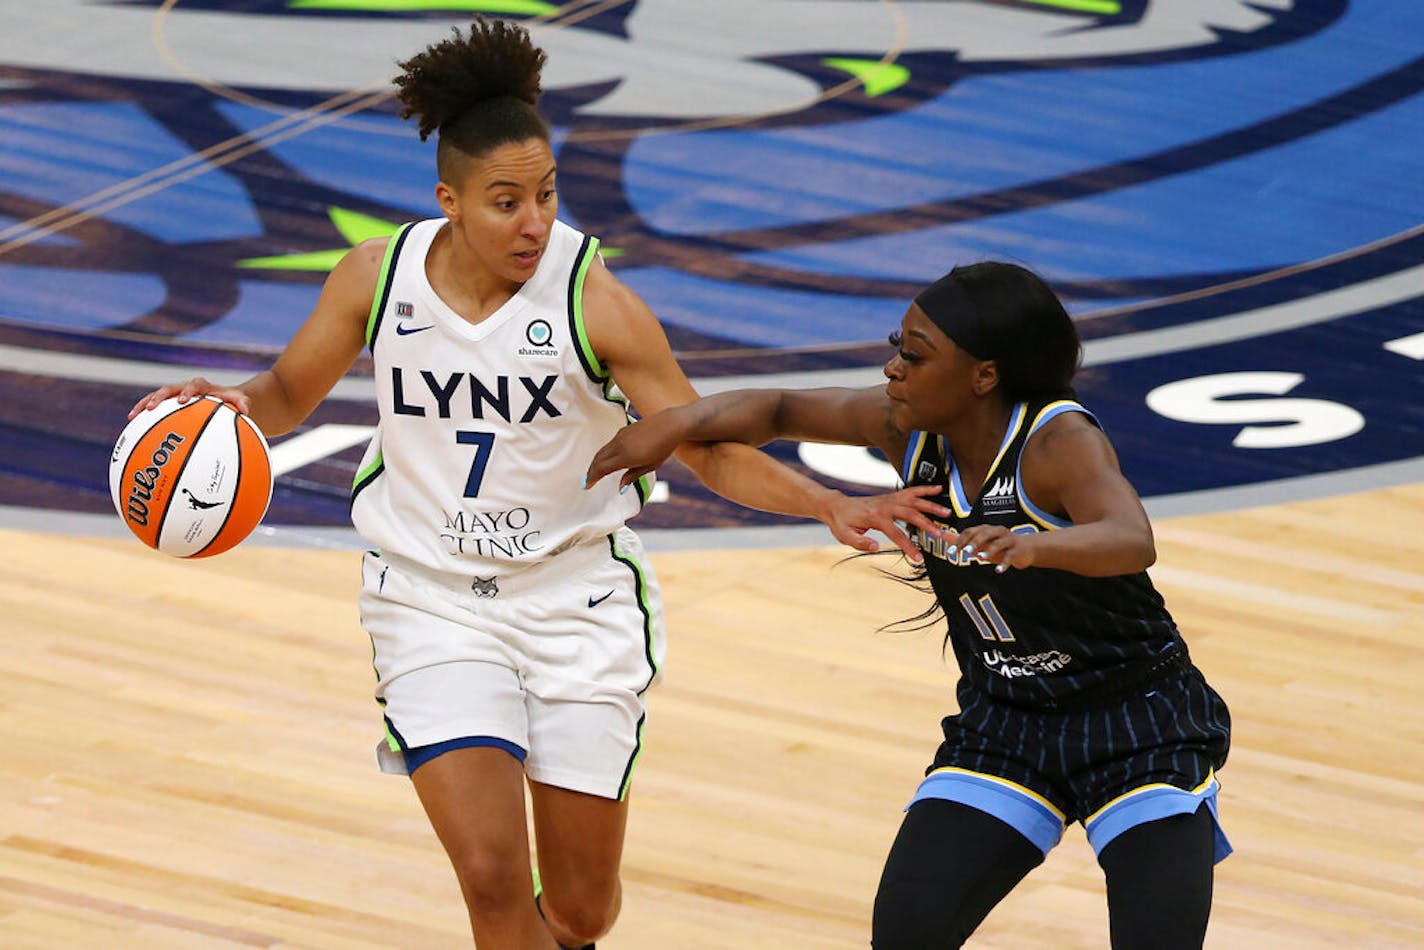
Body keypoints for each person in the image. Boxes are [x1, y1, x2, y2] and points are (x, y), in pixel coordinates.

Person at [128, 17, 943, 950]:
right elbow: (283, 394)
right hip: (430, 599)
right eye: (506, 202)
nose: (535, 222)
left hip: (573, 601)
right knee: (489, 878)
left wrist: (827, 501)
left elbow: (704, 445)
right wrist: (226, 402)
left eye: (547, 195)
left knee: (583, 909)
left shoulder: (595, 302)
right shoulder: (376, 276)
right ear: (451, 200)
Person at [586, 261, 1233, 949]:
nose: (893, 368)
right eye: (899, 345)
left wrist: (1037, 547)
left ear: (984, 375)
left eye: (915, 356)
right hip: (1006, 719)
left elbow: (1132, 539)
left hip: (1135, 722)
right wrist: (674, 422)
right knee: (907, 933)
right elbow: (777, 409)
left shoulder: (1056, 444)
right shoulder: (904, 427)